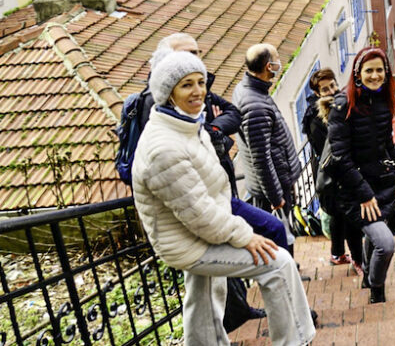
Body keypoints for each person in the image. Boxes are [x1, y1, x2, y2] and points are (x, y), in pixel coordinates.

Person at [132, 51, 315, 346]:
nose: (198, 91)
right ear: (168, 93)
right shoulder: (164, 147)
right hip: (189, 242)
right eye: (186, 85)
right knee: (277, 262)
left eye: (201, 82)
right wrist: (245, 236)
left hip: (195, 232)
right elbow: (200, 214)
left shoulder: (186, 124)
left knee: (204, 294)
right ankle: (296, 341)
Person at [143, 34, 280, 329]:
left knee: (203, 294)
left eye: (197, 53)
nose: (195, 60)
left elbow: (232, 114)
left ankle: (230, 320)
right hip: (193, 219)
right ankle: (289, 329)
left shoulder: (193, 95)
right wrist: (244, 235)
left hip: (213, 199)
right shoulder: (159, 113)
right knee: (274, 252)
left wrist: (212, 128)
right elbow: (194, 206)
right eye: (187, 54)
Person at [324, 47, 395, 304]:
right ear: (358, 73)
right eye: (369, 70)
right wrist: (365, 194)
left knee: (375, 239)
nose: (375, 75)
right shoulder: (343, 105)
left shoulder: (383, 100)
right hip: (355, 192)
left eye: (380, 70)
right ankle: (376, 288)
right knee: (385, 243)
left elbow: (387, 143)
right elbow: (339, 158)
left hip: (382, 185)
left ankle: (370, 277)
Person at [233, 44, 302, 245]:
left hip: (276, 182)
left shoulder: (250, 90)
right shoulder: (255, 106)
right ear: (268, 66)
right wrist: (275, 196)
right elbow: (261, 158)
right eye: (277, 59)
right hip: (274, 187)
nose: (280, 62)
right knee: (279, 235)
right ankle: (285, 274)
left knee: (281, 232)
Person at [302, 67, 360, 267]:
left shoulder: (339, 103)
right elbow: (326, 147)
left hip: (340, 167)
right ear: (317, 93)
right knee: (342, 213)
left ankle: (337, 253)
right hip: (332, 171)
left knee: (339, 214)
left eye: (333, 85)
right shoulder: (315, 117)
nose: (332, 91)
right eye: (325, 89)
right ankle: (351, 256)